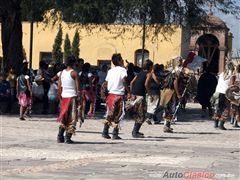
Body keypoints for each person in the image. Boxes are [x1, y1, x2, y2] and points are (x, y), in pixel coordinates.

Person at [102, 53, 130, 140]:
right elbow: (124, 81)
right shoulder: (122, 70)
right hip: (119, 94)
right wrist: (128, 91)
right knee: (118, 114)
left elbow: (106, 83)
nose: (123, 60)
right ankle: (115, 133)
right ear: (119, 61)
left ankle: (105, 131)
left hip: (110, 95)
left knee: (110, 113)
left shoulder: (110, 71)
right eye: (121, 59)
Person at [57, 56, 80, 144]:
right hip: (72, 97)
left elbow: (59, 87)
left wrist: (60, 98)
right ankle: (68, 137)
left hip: (64, 97)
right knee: (72, 118)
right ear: (74, 63)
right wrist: (80, 99)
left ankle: (60, 136)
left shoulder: (61, 73)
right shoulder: (74, 73)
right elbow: (78, 89)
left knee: (64, 116)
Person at [128, 60, 153, 138]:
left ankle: (136, 131)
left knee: (138, 114)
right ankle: (135, 132)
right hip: (141, 96)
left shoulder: (139, 73)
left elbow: (131, 82)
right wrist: (150, 95)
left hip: (134, 95)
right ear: (150, 67)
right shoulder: (149, 74)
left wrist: (132, 93)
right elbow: (146, 84)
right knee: (141, 114)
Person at [159, 59, 182, 133]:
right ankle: (166, 126)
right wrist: (178, 93)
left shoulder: (168, 71)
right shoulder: (176, 71)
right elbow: (175, 82)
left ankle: (167, 125)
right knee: (170, 108)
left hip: (165, 90)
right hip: (171, 91)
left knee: (167, 108)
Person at [212, 62, 234, 130]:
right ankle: (221, 125)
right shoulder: (232, 75)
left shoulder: (221, 74)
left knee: (217, 108)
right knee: (226, 109)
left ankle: (216, 124)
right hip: (225, 93)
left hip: (217, 92)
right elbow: (232, 86)